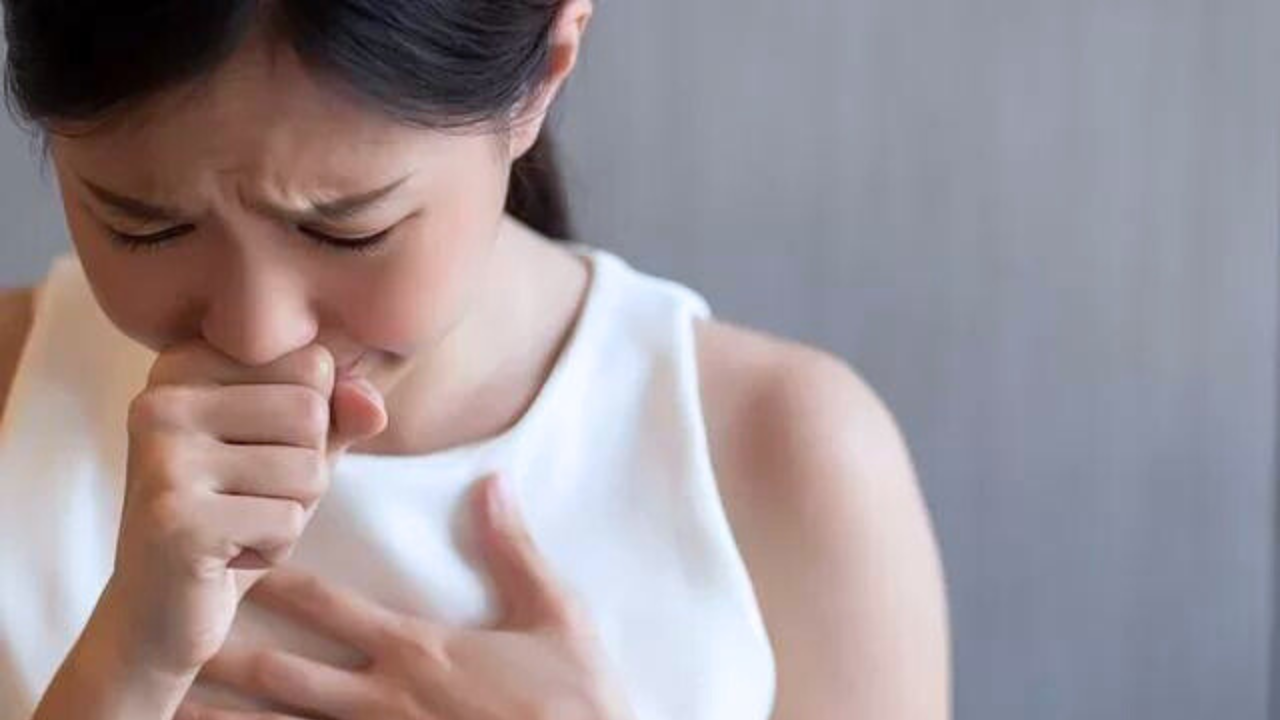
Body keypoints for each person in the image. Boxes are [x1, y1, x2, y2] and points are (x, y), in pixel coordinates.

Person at [0, 1, 950, 718]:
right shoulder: (15, 389)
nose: (258, 335)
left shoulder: (787, 455)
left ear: (548, 66)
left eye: (347, 230)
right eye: (148, 226)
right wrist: (122, 668)